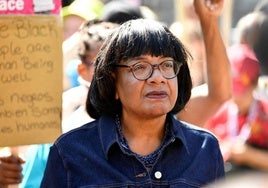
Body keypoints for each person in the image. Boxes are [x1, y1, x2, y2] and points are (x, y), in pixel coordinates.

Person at [41, 2, 225, 187]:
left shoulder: (204, 148)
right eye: (140, 67)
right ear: (112, 82)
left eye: (167, 65)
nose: (158, 78)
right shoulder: (70, 152)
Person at [19, 20, 118, 188]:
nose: (112, 75)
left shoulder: (144, 127)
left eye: (119, 67)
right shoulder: (60, 131)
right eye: (101, 66)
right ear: (82, 70)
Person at [204, 12, 268, 174]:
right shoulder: (214, 113)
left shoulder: (265, 113)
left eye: (241, 90)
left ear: (255, 84)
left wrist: (250, 156)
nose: (235, 97)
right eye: (231, 89)